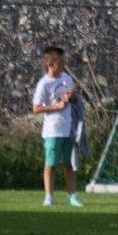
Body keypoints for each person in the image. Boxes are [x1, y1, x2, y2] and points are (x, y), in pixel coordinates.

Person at [32, 46, 82, 207]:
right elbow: (36, 108)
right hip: (52, 130)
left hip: (68, 128)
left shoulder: (67, 79)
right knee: (51, 164)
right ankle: (49, 196)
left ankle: (72, 196)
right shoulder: (43, 84)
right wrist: (56, 106)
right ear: (51, 64)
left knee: (69, 164)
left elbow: (74, 99)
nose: (63, 65)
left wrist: (72, 96)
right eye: (60, 63)